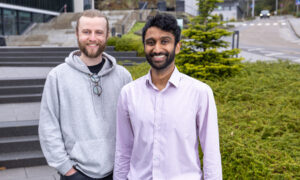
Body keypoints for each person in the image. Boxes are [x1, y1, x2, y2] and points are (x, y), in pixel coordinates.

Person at [114, 13, 222, 180]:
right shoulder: (129, 94)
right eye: (151, 42)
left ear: (177, 46)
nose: (157, 49)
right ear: (144, 46)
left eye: (164, 41)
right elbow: (123, 150)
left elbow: (211, 153)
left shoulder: (200, 93)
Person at [39, 9, 132, 180]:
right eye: (86, 32)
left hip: (116, 173)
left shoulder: (123, 76)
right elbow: (48, 127)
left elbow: (131, 125)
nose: (92, 38)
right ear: (77, 34)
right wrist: (67, 170)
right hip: (75, 173)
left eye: (99, 32)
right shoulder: (57, 77)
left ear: (107, 35)